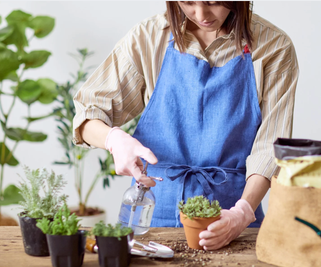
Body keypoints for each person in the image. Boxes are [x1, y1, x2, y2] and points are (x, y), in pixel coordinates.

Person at [73, 1, 298, 250]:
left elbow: (271, 146)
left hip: (230, 223)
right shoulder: (148, 38)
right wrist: (114, 140)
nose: (201, 14)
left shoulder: (273, 47)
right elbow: (87, 115)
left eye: (213, 2)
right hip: (152, 222)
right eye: (188, 2)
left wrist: (242, 213)